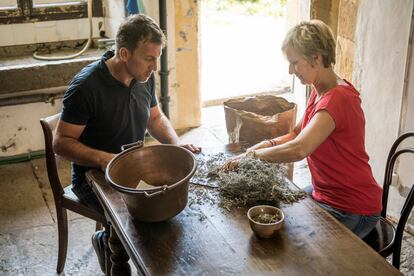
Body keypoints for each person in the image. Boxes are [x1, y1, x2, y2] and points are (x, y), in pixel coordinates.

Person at [53, 14, 200, 272]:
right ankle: (108, 243)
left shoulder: (144, 75)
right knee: (139, 223)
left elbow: (155, 118)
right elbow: (61, 143)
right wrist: (104, 159)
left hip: (133, 167)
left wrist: (177, 144)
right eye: (149, 58)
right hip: (93, 177)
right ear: (124, 53)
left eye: (158, 57)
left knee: (171, 208)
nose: (155, 66)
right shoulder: (86, 87)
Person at [224, 19, 382, 239]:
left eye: (294, 62)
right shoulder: (320, 90)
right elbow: (297, 134)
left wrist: (254, 156)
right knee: (274, 209)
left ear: (316, 58)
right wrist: (261, 146)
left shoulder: (339, 99)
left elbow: (300, 148)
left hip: (351, 205)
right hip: (325, 194)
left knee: (295, 249)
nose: (290, 71)